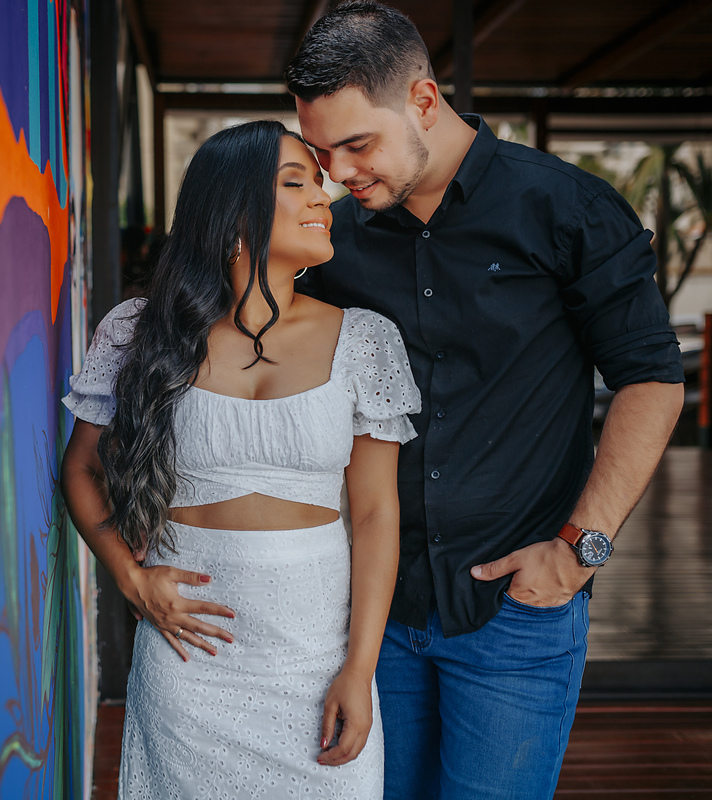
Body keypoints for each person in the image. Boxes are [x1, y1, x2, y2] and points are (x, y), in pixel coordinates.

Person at [284, 3, 686, 798]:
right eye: (322, 152)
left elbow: (651, 379)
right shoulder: (336, 242)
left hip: (516, 614)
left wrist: (580, 548)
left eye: (357, 144)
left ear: (423, 101)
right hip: (375, 613)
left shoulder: (567, 209)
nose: (339, 172)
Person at [60, 121, 420, 797]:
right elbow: (81, 468)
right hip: (187, 659)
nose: (323, 198)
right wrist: (131, 579)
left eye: (318, 184)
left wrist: (359, 669)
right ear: (233, 214)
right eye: (296, 183)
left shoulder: (365, 340)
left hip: (316, 662)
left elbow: (376, 515)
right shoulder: (139, 330)